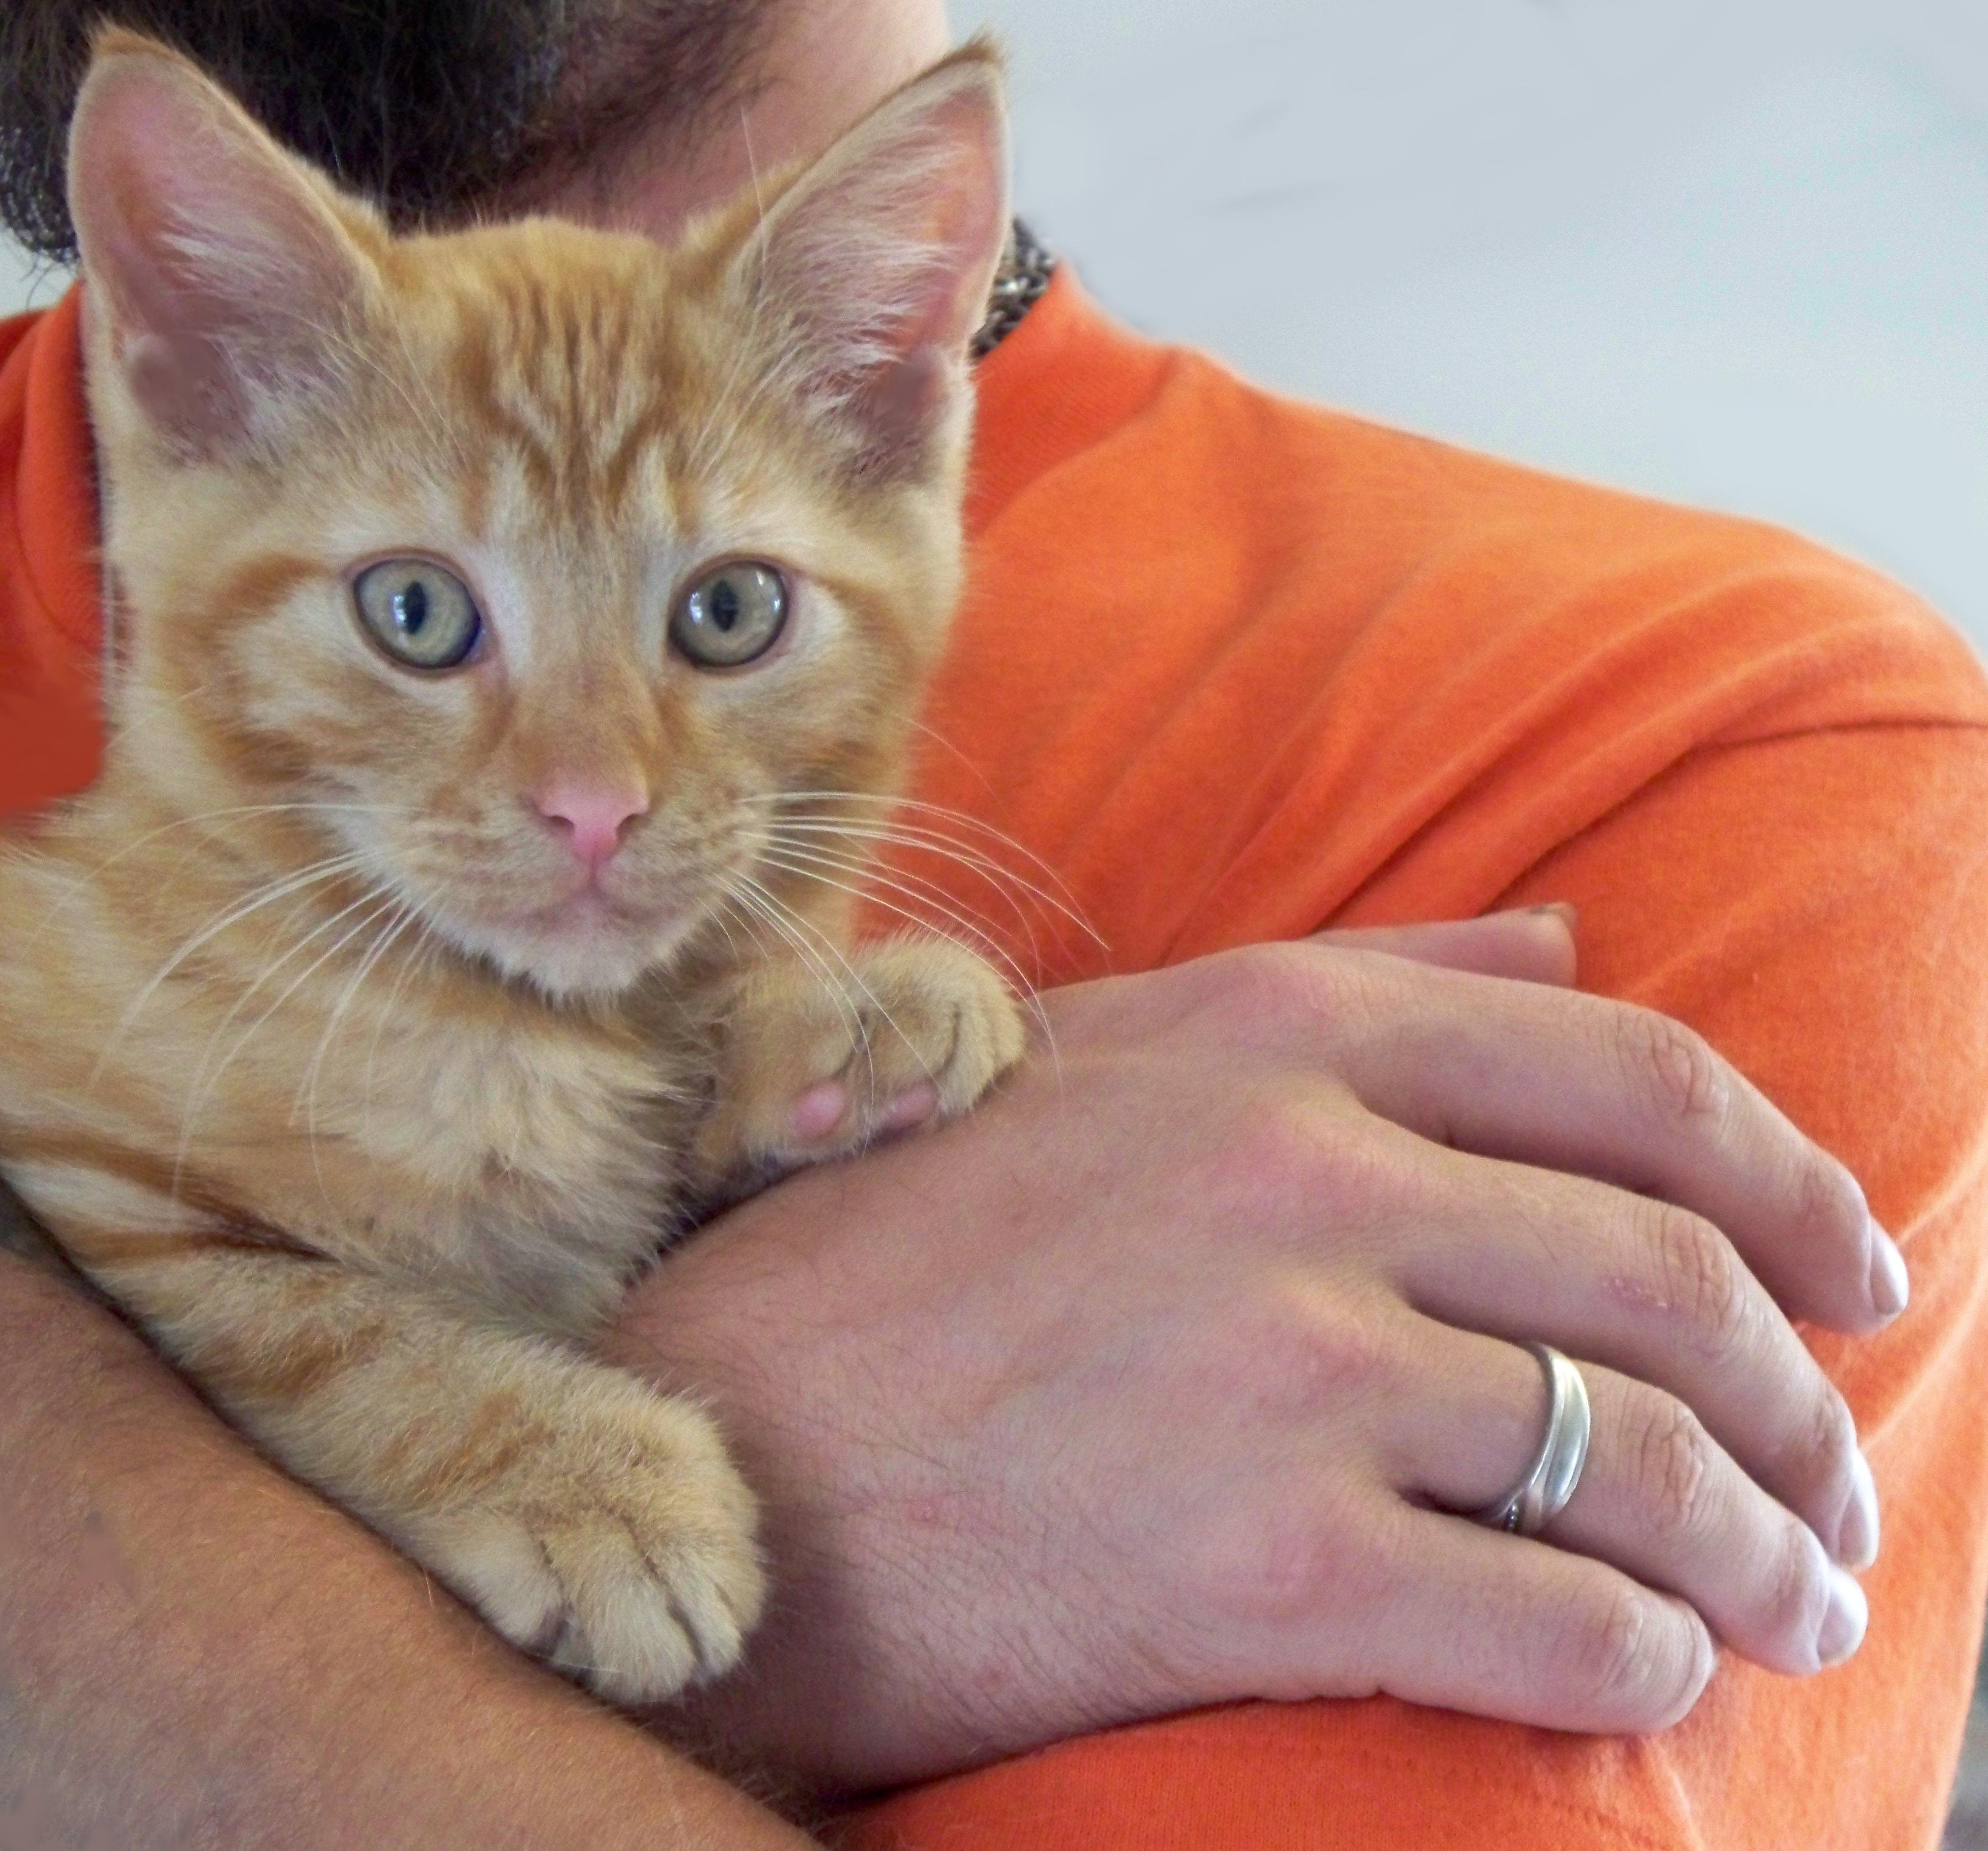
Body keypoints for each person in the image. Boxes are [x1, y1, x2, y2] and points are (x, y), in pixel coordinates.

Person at [2, 1, 1984, 1846]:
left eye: (718, 618)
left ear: (887, 403)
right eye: (419, 616)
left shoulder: (1708, 747)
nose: (588, 787)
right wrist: (790, 1517)